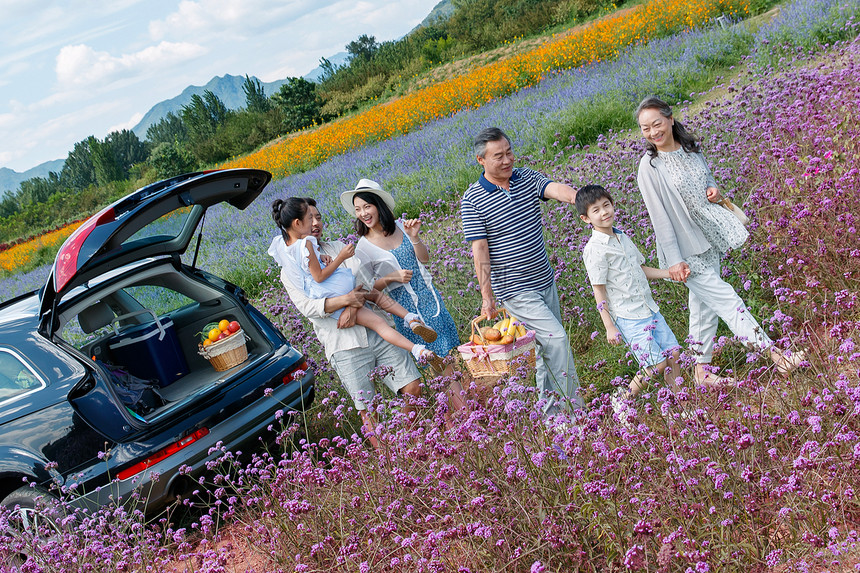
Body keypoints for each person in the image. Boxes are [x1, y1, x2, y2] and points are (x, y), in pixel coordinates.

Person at [635, 96, 805, 385]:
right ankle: (777, 356)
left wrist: (713, 190)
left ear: (670, 119)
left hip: (709, 237)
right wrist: (675, 260)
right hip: (685, 250)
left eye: (656, 124)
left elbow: (708, 180)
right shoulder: (649, 167)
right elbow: (659, 218)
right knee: (727, 299)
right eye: (645, 129)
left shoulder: (690, 149)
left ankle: (701, 371)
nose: (653, 133)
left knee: (703, 306)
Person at [268, 198, 430, 446]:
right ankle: (392, 460)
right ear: (297, 224)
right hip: (344, 344)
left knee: (412, 387)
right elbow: (308, 307)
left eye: (319, 217)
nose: (316, 224)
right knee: (369, 410)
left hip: (376, 330)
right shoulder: (290, 268)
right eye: (311, 219)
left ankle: (410, 441)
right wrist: (347, 299)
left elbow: (367, 285)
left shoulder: (339, 248)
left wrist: (352, 306)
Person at [461, 127, 584, 416]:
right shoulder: (473, 200)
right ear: (481, 160)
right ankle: (571, 415)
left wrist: (583, 198)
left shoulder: (525, 177)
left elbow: (554, 189)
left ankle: (550, 414)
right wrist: (487, 296)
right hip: (516, 291)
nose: (507, 161)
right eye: (498, 156)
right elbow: (480, 251)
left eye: (509, 152)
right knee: (557, 341)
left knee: (545, 351)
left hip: (544, 279)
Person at [342, 180, 467, 414]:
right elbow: (372, 292)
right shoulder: (363, 247)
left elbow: (424, 259)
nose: (363, 214)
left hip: (430, 299)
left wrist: (414, 236)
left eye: (367, 207)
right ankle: (460, 414)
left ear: (379, 205)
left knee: (445, 361)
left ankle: (457, 414)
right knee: (436, 364)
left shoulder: (401, 226)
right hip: (405, 308)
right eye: (358, 210)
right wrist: (392, 277)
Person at [576, 184, 683, 419]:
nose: (604, 212)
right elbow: (599, 291)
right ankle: (622, 400)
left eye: (607, 205)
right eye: (596, 210)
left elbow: (640, 269)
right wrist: (609, 326)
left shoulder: (623, 237)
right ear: (586, 219)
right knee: (655, 365)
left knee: (673, 353)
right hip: (628, 316)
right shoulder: (594, 250)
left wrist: (668, 273)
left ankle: (678, 403)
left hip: (648, 308)